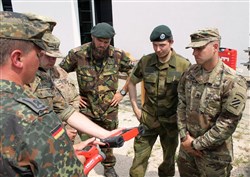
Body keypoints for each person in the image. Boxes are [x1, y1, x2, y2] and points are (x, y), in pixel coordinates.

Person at [0, 11, 87, 176]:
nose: (40, 60)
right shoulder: (32, 117)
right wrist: (76, 161)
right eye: (38, 54)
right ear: (18, 58)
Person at [59, 22, 134, 177]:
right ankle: (83, 167)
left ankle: (108, 167)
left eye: (106, 42)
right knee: (88, 141)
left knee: (108, 138)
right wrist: (73, 95)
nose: (103, 45)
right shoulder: (78, 54)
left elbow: (134, 72)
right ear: (92, 37)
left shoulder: (118, 55)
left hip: (109, 108)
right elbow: (59, 72)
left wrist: (122, 92)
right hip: (87, 108)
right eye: (100, 40)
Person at [176, 28, 247, 177]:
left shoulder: (232, 81)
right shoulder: (190, 73)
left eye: (199, 48)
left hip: (214, 157)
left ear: (215, 47)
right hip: (187, 152)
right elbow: (181, 104)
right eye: (193, 48)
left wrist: (195, 144)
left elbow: (227, 123)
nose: (194, 53)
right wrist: (184, 137)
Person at [128, 25, 191, 177]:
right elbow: (131, 82)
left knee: (168, 160)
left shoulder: (183, 65)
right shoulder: (146, 61)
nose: (158, 49)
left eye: (162, 45)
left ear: (171, 42)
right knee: (139, 158)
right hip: (148, 120)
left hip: (171, 123)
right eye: (154, 45)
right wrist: (136, 108)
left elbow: (189, 97)